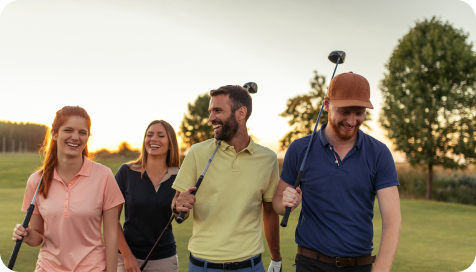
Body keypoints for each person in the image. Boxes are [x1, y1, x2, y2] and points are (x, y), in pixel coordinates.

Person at [273, 72, 401, 272]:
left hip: (360, 266)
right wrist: (285, 202)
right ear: (326, 104)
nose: (352, 121)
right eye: (345, 111)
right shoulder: (299, 149)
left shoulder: (379, 153)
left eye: (359, 113)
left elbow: (392, 221)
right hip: (310, 265)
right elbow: (278, 203)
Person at [172, 85, 282, 272]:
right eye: (210, 111)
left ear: (241, 113)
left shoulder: (268, 159)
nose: (211, 118)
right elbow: (177, 204)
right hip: (203, 266)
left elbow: (269, 211)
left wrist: (276, 259)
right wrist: (177, 205)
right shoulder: (197, 153)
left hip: (251, 266)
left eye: (217, 110)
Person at [12, 106, 124, 272]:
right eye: (68, 130)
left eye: (82, 132)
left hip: (92, 268)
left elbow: (111, 235)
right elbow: (37, 236)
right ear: (55, 133)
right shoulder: (36, 181)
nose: (75, 137)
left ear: (88, 137)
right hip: (48, 268)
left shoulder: (104, 176)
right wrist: (27, 235)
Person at [115, 120, 180, 272]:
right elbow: (111, 219)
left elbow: (180, 216)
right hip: (126, 257)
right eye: (149, 135)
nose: (153, 139)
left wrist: (179, 208)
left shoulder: (180, 175)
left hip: (164, 259)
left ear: (170, 143)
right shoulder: (126, 172)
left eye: (161, 135)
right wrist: (127, 256)